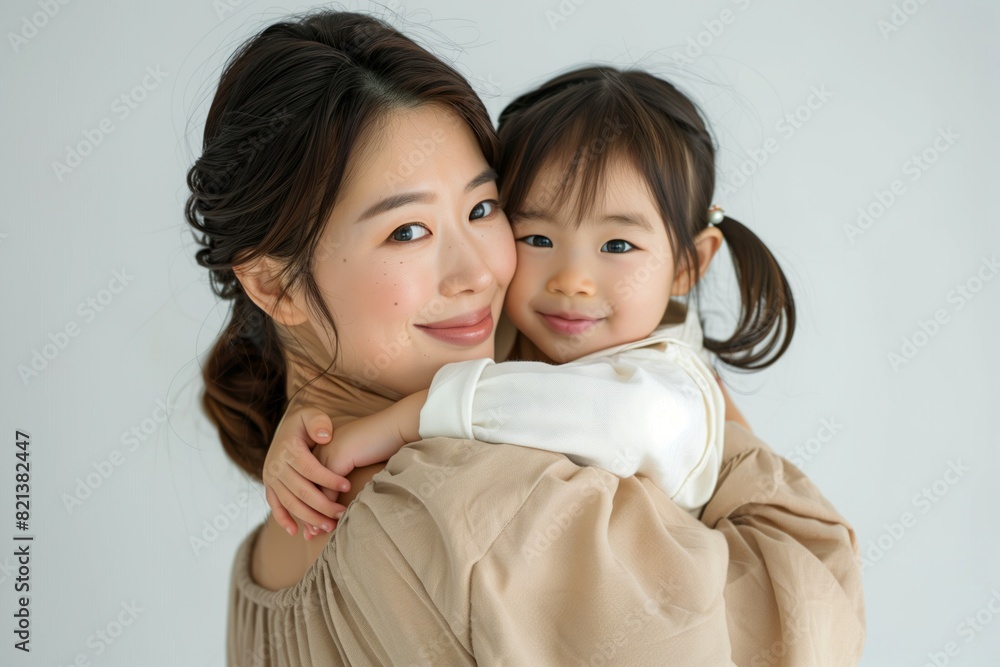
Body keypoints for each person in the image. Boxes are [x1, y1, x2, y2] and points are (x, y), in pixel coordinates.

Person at [185, 10, 865, 665]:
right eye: (408, 231)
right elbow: (812, 614)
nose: (481, 270)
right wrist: (704, 402)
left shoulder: (262, 568)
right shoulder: (489, 509)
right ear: (274, 286)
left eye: (483, 208)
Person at [262, 66, 801, 533]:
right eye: (538, 239)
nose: (571, 281)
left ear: (687, 266)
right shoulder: (512, 328)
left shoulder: (665, 388)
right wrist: (305, 421)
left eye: (617, 246)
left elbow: (598, 412)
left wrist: (399, 424)